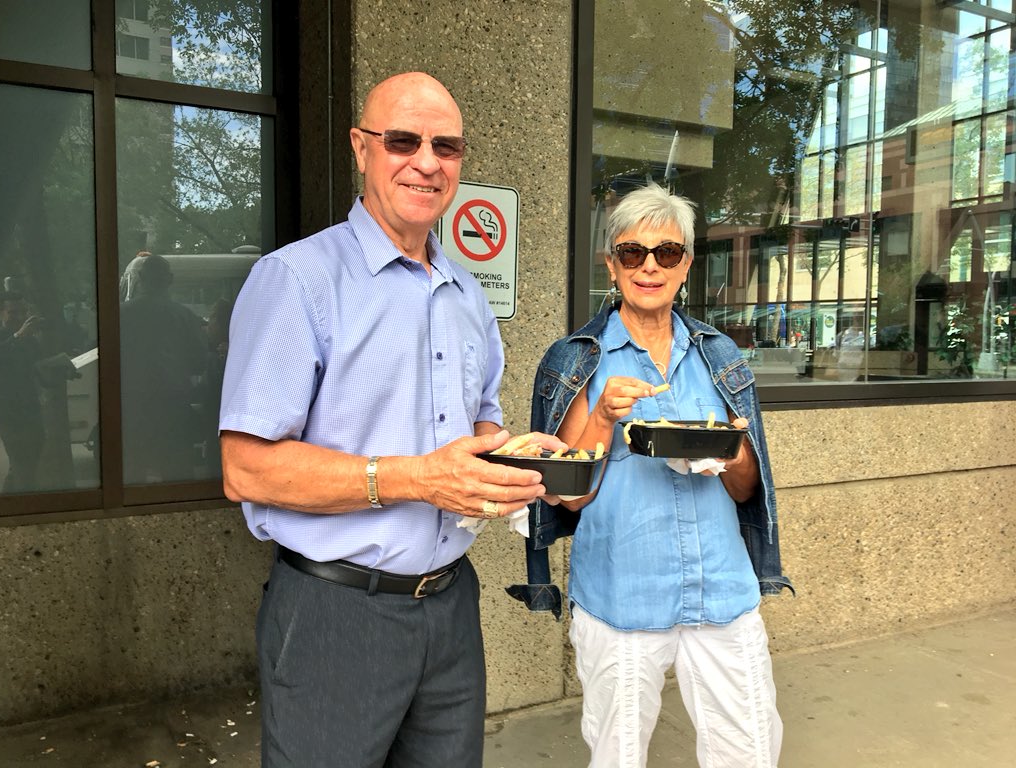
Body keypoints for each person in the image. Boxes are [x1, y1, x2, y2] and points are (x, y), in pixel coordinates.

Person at [218, 71, 563, 768]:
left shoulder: (468, 295)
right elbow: (245, 468)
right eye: (403, 140)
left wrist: (518, 457)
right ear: (360, 147)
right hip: (335, 612)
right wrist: (418, 479)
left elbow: (477, 430)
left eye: (447, 145)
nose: (427, 161)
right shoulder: (297, 281)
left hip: (450, 609)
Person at [513, 182, 792, 768]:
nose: (649, 267)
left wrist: (728, 450)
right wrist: (603, 416)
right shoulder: (574, 360)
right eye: (632, 253)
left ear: (685, 265)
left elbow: (746, 489)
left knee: (751, 753)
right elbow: (568, 498)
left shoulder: (722, 359)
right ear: (611, 264)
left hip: (721, 588)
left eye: (665, 253)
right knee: (617, 757)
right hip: (622, 596)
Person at [119, 253, 210, 483]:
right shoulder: (184, 316)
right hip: (173, 405)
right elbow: (200, 361)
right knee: (177, 473)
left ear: (140, 277)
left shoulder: (121, 315)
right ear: (169, 280)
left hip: (132, 405)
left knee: (133, 471)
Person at [0, 291, 45, 492]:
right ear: (0, 313)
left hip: (31, 408)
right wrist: (17, 337)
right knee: (22, 464)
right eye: (13, 313)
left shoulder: (31, 341)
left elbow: (38, 370)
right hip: (8, 411)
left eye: (23, 312)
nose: (20, 317)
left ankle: (8, 507)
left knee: (26, 465)